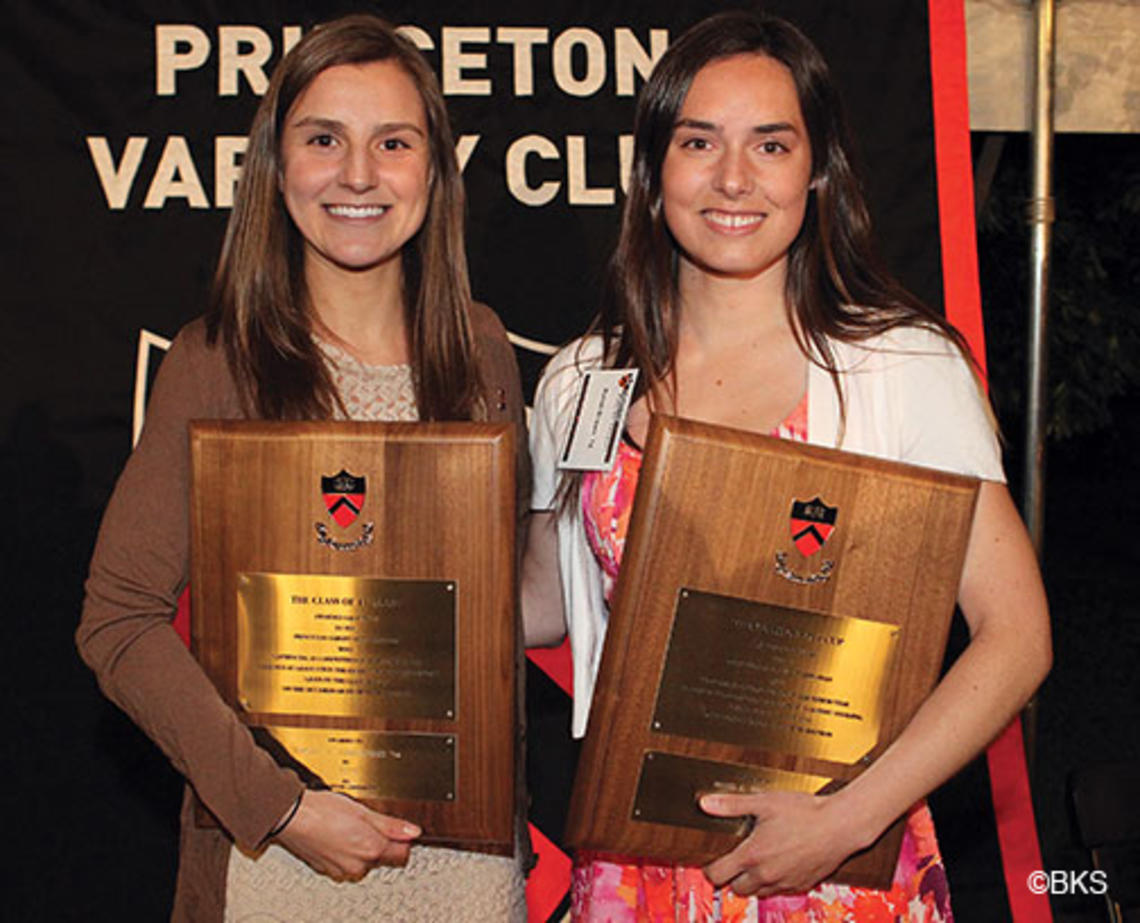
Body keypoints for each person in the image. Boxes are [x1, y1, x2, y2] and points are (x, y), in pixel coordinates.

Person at [522, 11, 1050, 921]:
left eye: (771, 144)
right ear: (654, 174)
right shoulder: (584, 377)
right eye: (699, 142)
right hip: (637, 869)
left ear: (818, 170)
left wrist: (850, 815)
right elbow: (537, 603)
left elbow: (1016, 636)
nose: (733, 179)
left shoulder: (904, 365)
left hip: (837, 864)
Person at [77, 15, 528, 923]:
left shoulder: (480, 350)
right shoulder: (217, 361)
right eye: (324, 139)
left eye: (392, 143)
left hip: (470, 876)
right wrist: (279, 805)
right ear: (277, 167)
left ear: (434, 172)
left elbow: (502, 611)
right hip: (279, 872)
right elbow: (117, 621)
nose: (358, 175)